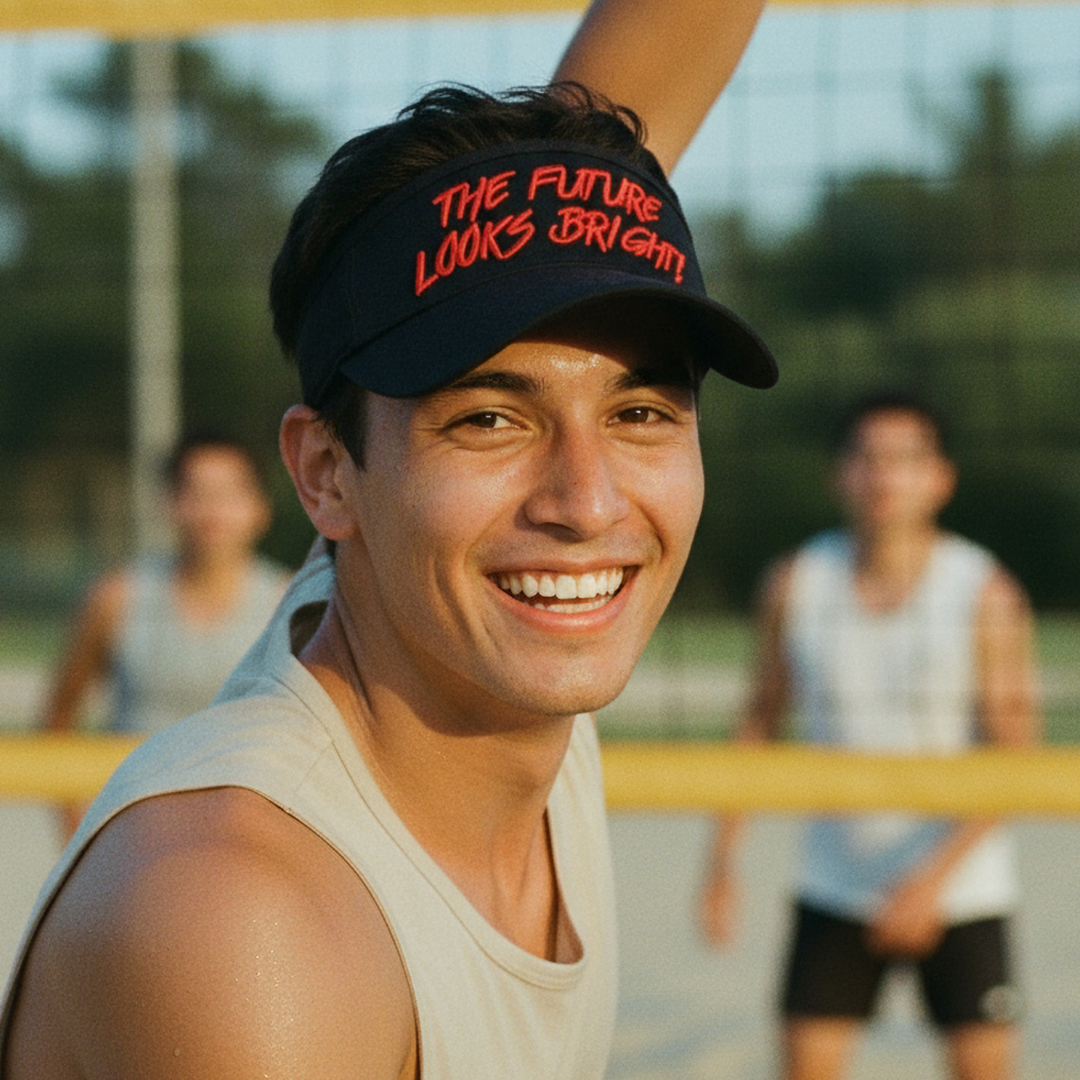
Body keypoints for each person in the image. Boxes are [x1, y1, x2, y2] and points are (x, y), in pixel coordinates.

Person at [0, 59, 778, 1079]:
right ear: (326, 476)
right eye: (489, 420)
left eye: (639, 413)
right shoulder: (244, 921)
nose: (587, 505)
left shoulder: (472, 637)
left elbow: (573, 184)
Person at [699, 392, 1040, 1080]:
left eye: (906, 458)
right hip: (836, 881)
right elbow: (759, 723)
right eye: (867, 457)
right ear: (840, 474)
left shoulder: (984, 591)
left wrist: (929, 884)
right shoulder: (797, 580)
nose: (885, 475)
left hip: (961, 888)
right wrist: (723, 862)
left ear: (941, 479)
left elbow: (1018, 758)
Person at [42, 433, 290, 838]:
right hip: (131, 835)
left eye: (229, 492)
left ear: (260, 507)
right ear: (169, 503)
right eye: (197, 492)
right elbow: (58, 715)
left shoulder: (290, 605)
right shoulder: (117, 598)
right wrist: (77, 833)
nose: (213, 509)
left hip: (245, 840)